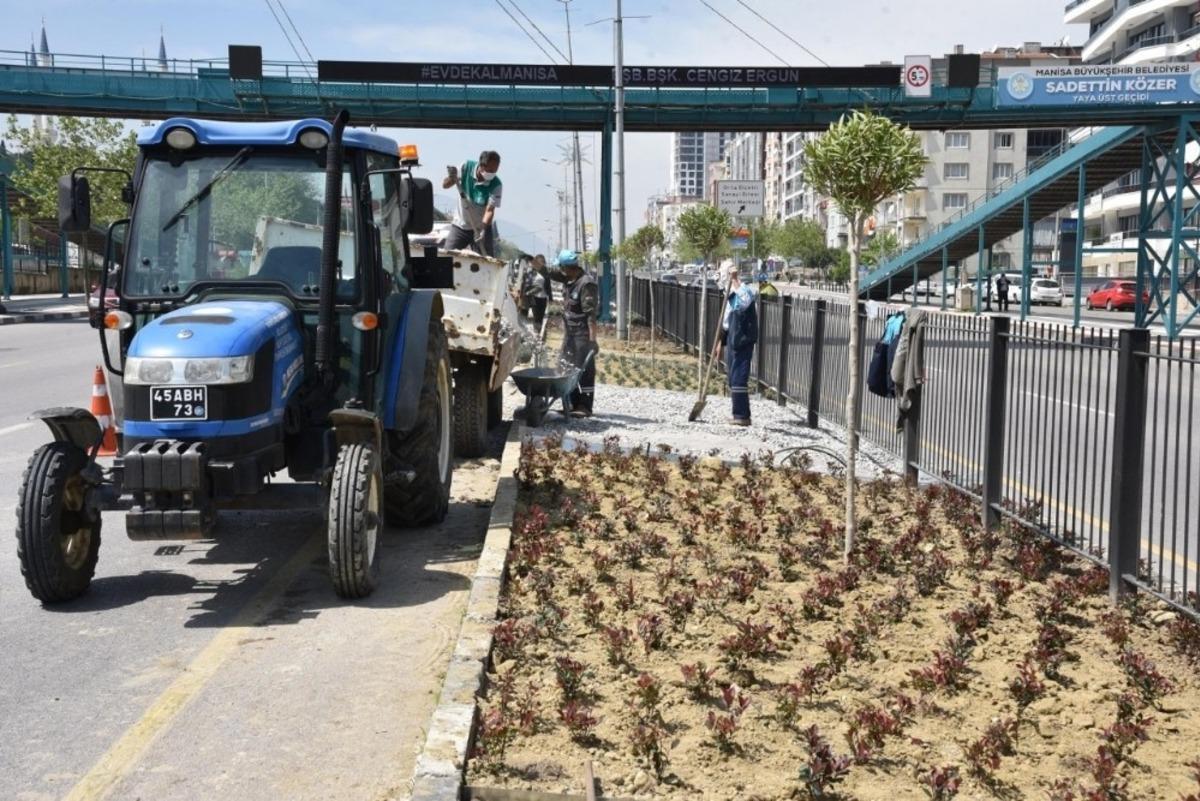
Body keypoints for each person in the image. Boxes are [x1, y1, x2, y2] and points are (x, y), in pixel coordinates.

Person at [548, 249, 598, 418]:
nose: (561, 271)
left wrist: (592, 341)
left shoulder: (586, 284)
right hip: (570, 334)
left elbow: (591, 316)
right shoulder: (569, 278)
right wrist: (534, 262)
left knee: (585, 370)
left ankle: (585, 406)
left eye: (562, 268)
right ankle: (572, 403)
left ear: (568, 267)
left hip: (582, 335)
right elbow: (551, 273)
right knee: (564, 366)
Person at [718, 259, 758, 427]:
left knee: (738, 378)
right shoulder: (729, 294)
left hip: (743, 340)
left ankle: (741, 416)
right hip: (733, 339)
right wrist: (720, 343)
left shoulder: (744, 291)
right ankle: (740, 414)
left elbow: (743, 304)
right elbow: (726, 322)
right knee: (733, 379)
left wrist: (734, 280)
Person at [442, 150, 502, 257]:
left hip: (481, 228)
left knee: (486, 262)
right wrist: (452, 177)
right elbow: (445, 185)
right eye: (490, 170)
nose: (492, 174)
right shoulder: (466, 167)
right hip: (461, 226)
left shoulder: (496, 184)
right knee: (446, 257)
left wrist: (483, 229)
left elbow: (490, 210)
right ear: (481, 165)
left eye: (495, 171)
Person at [525, 253, 551, 328]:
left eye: (542, 262)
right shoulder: (531, 272)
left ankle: (538, 332)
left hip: (543, 298)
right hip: (535, 298)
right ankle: (536, 331)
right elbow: (528, 284)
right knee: (536, 316)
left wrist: (550, 298)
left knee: (541, 316)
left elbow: (548, 285)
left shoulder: (545, 273)